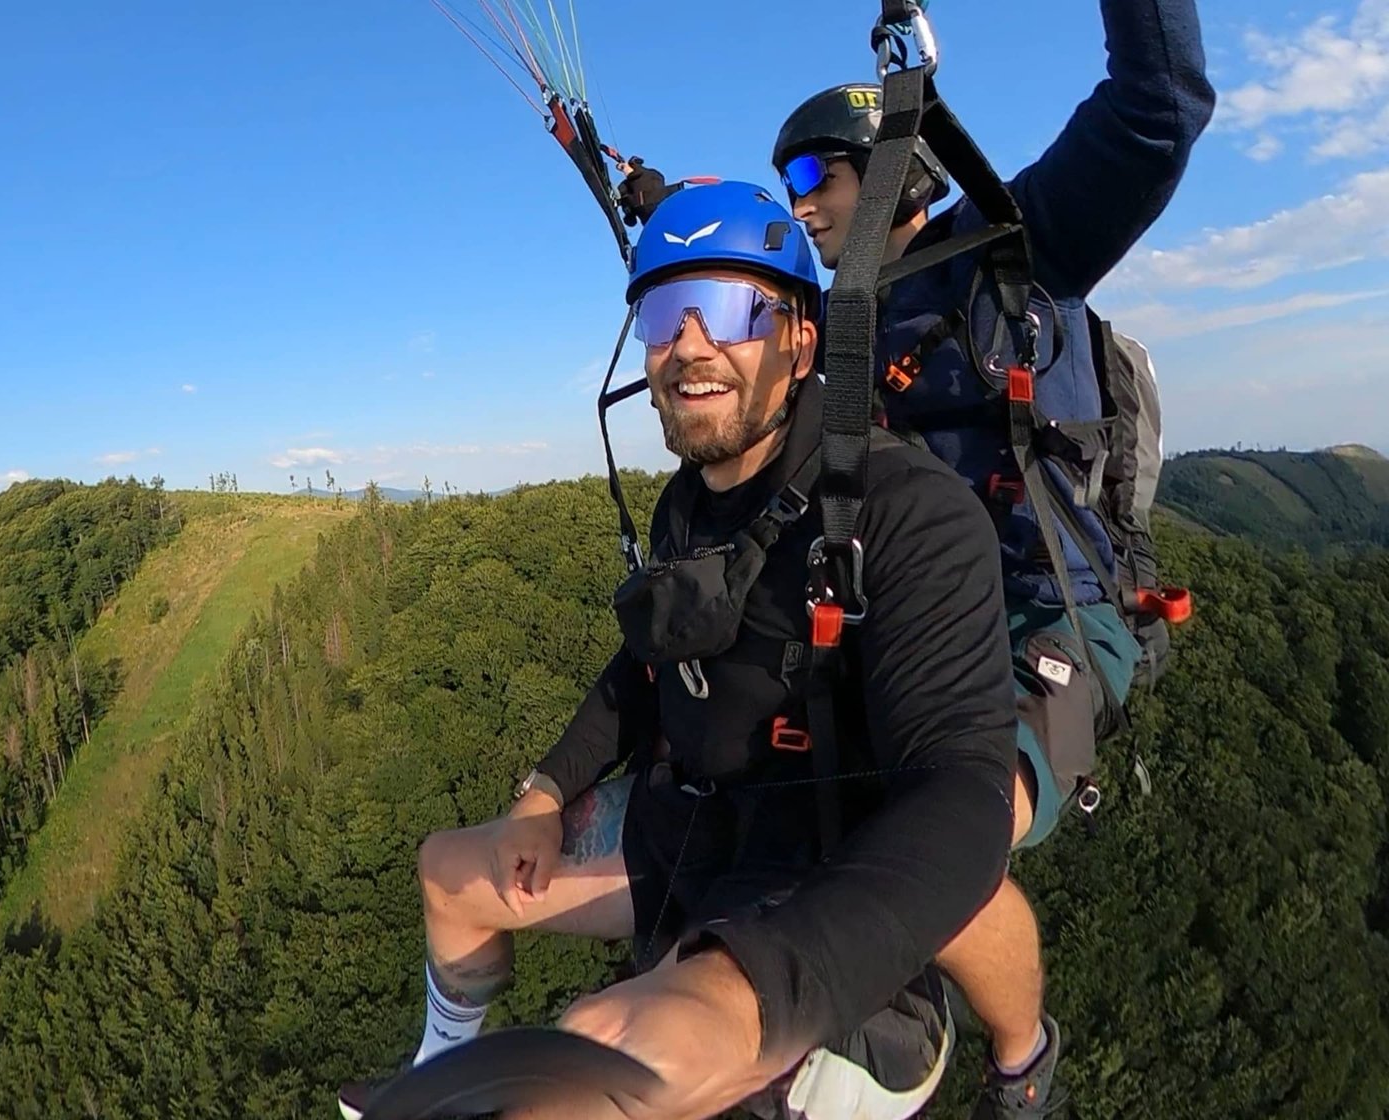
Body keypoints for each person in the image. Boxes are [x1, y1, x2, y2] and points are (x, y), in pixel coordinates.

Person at [337, 180, 1022, 1120]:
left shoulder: (908, 514)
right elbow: (646, 665)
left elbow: (964, 796)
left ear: (802, 341)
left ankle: (1019, 1062)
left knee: (592, 1088)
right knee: (450, 870)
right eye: (665, 313)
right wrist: (542, 793)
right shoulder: (689, 503)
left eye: (735, 309)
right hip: (692, 831)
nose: (691, 345)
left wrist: (744, 992)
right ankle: (436, 1063)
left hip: (819, 893)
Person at [764, 0, 1216, 1114]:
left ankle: (1016, 1067)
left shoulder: (1019, 248)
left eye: (815, 172)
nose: (799, 204)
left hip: (1048, 621)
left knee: (943, 832)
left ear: (896, 168)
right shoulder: (834, 330)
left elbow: (1159, 111)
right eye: (787, 185)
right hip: (909, 633)